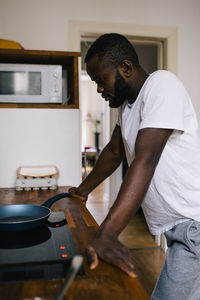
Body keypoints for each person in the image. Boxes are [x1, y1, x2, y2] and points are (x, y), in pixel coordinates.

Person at [69, 33, 200, 299]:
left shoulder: (162, 85)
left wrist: (108, 233)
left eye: (100, 80)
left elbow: (146, 158)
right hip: (178, 226)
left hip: (193, 225)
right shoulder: (127, 106)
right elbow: (115, 151)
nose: (98, 89)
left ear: (125, 68)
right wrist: (82, 190)